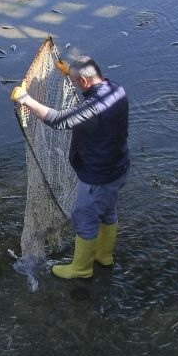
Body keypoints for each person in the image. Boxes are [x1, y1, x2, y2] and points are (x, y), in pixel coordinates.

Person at [11, 55, 129, 279]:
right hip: (118, 168)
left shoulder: (95, 106)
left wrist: (25, 99)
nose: (73, 84)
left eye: (75, 81)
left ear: (85, 82)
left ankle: (81, 269)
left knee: (83, 217)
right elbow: (87, 85)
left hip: (98, 177)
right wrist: (69, 73)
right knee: (108, 211)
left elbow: (58, 120)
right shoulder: (115, 89)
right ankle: (104, 256)